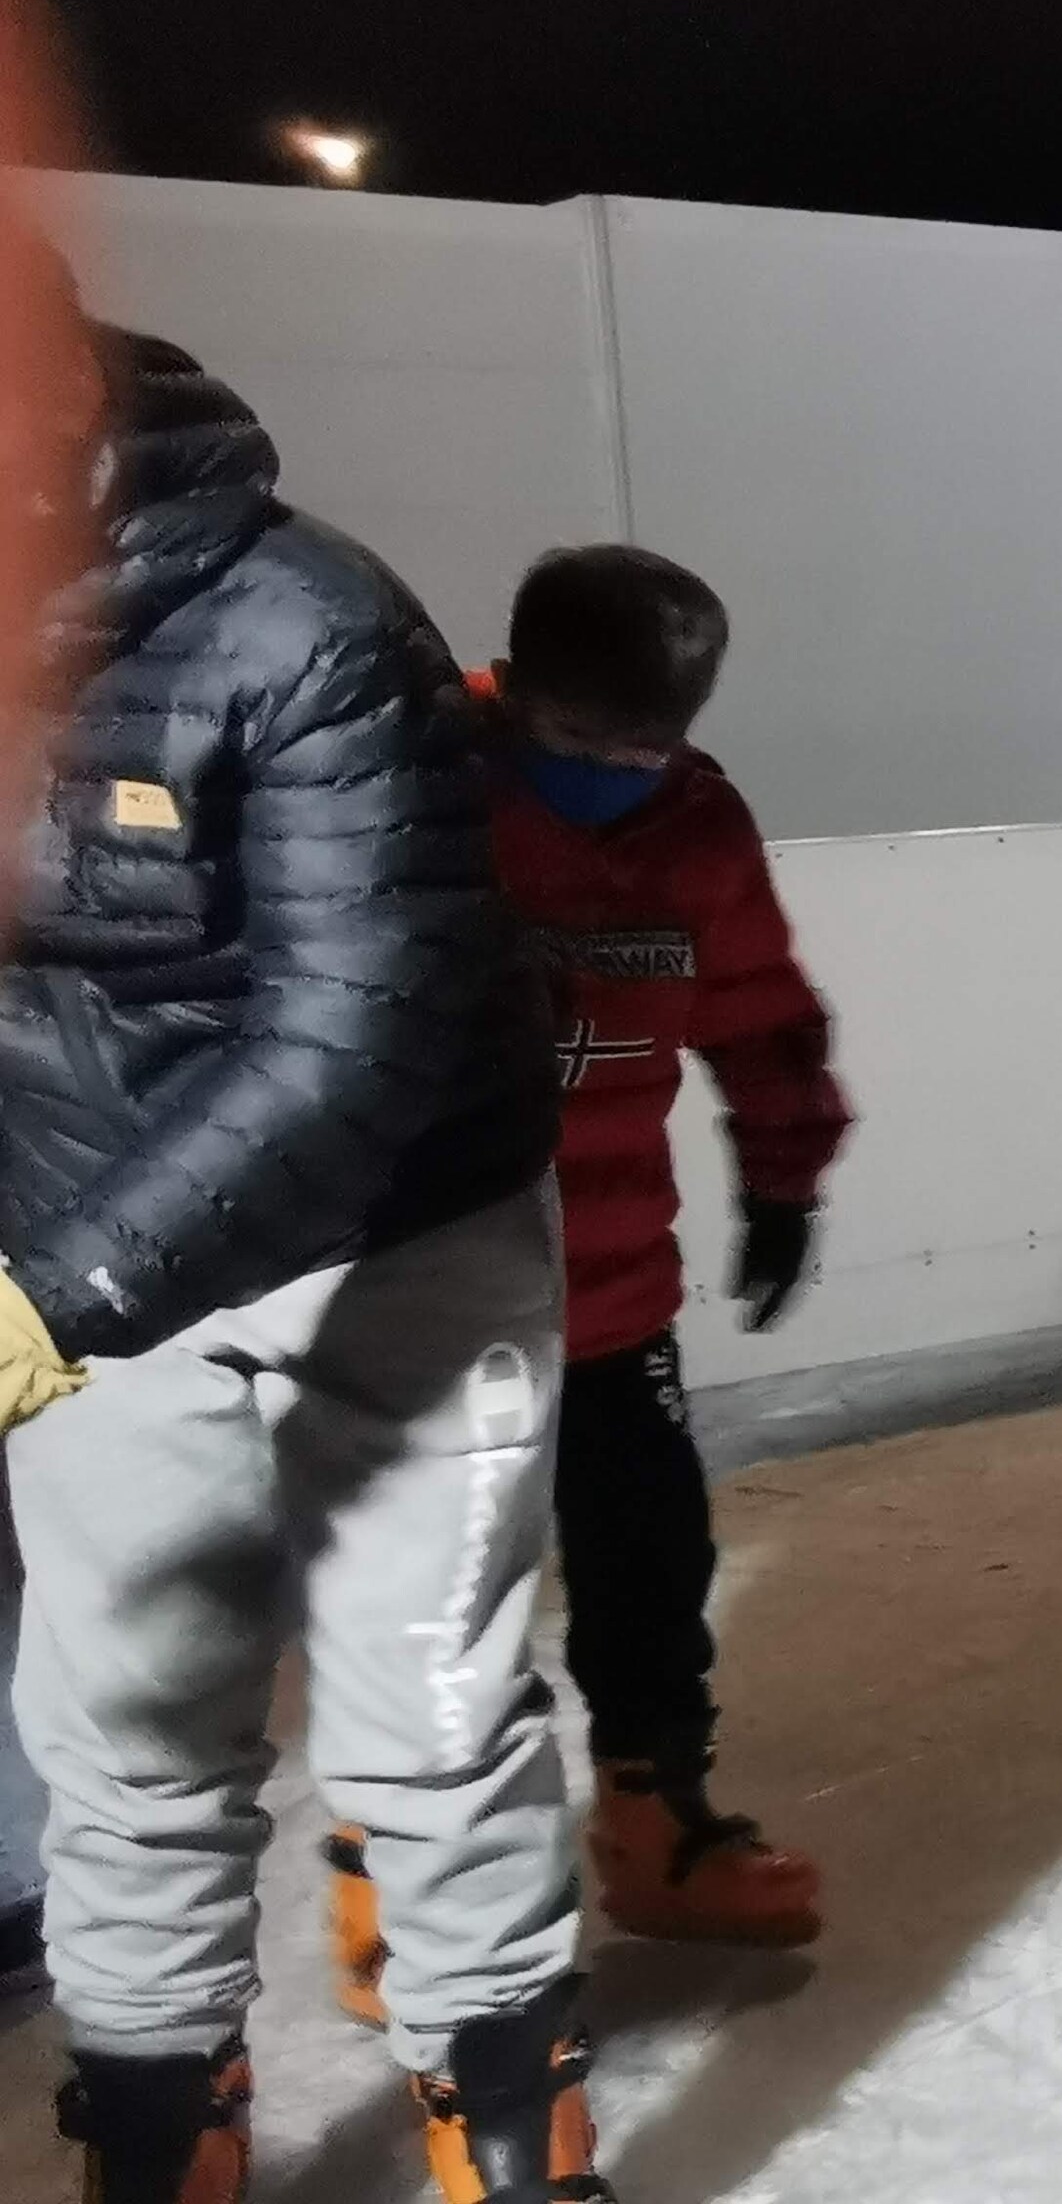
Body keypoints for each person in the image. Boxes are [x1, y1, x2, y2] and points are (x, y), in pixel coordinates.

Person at [8, 322, 609, 2200]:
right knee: (125, 1731)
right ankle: (160, 2127)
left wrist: (55, 1301)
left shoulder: (308, 624)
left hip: (399, 1245)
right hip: (84, 1236)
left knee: (431, 1723)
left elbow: (352, 1038)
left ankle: (513, 2127)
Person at [322, 548, 851, 2029]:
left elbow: (759, 1012)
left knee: (647, 1562)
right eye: (581, 747)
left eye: (649, 748)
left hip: (613, 1287)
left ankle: (659, 1827)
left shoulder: (696, 821)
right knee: (425, 1594)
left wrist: (785, 1177)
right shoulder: (408, 773)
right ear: (518, 691)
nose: (619, 776)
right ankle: (388, 1868)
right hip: (420, 1287)